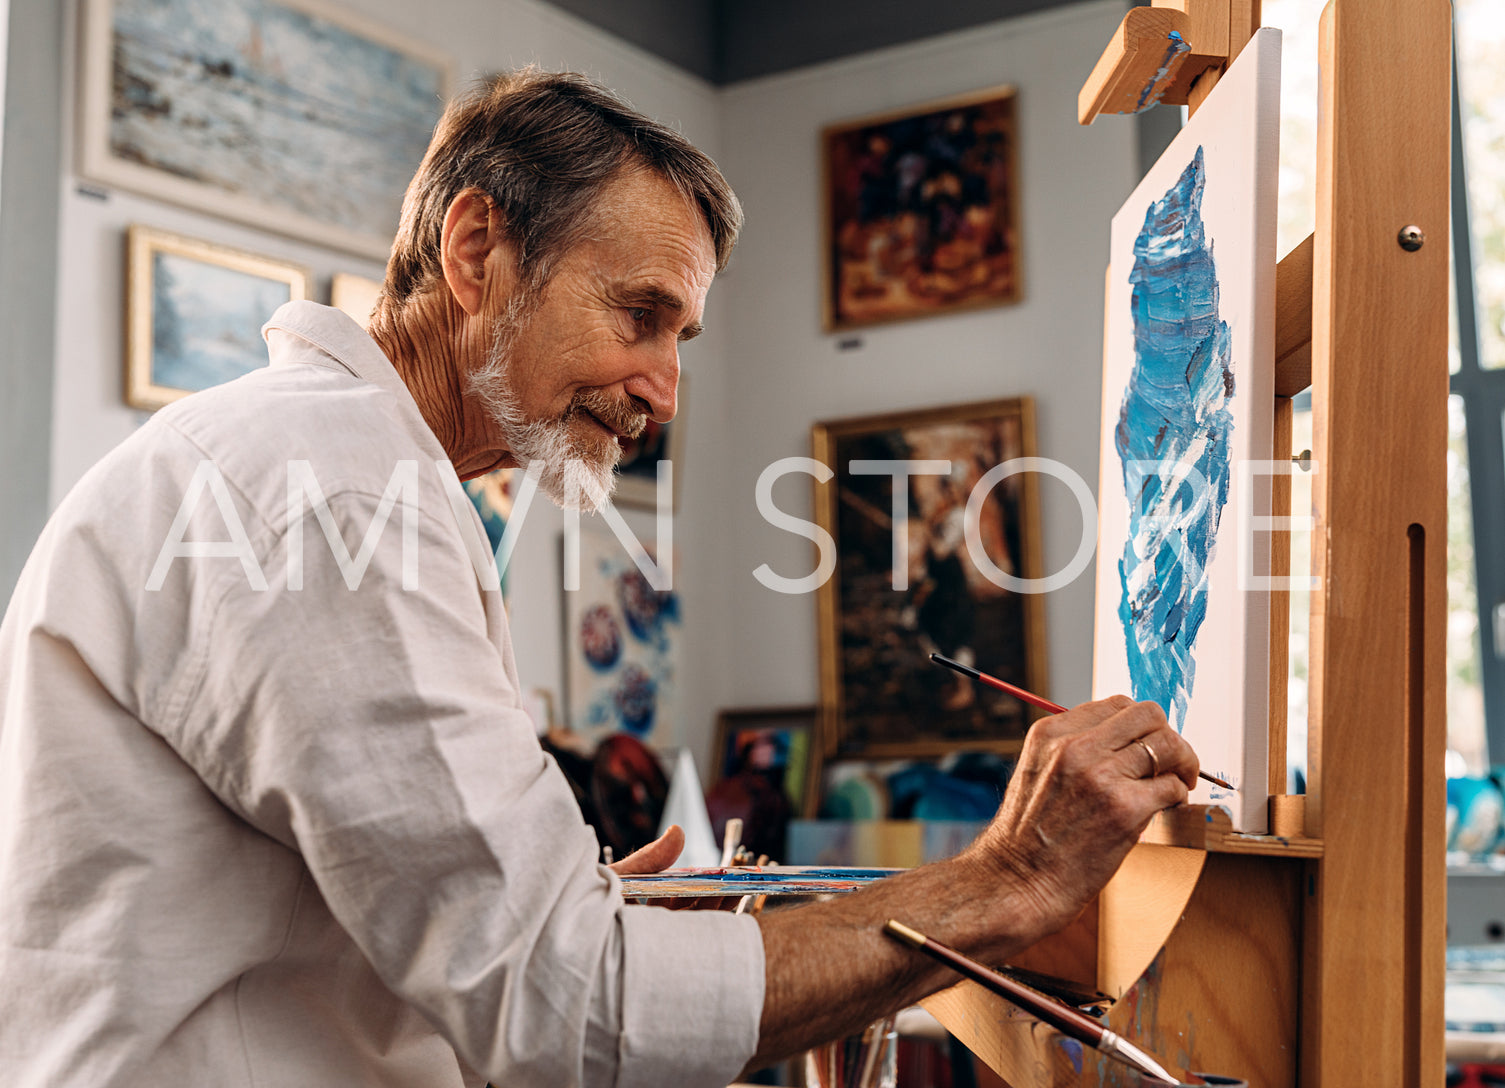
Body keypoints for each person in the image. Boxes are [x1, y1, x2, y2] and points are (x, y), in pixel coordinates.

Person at [0, 69, 1199, 1086]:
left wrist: (560, 903)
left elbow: (432, 938)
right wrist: (1014, 877)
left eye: (678, 337)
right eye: (639, 314)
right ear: (477, 249)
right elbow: (559, 1006)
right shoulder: (334, 490)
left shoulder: (327, 465)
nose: (661, 391)